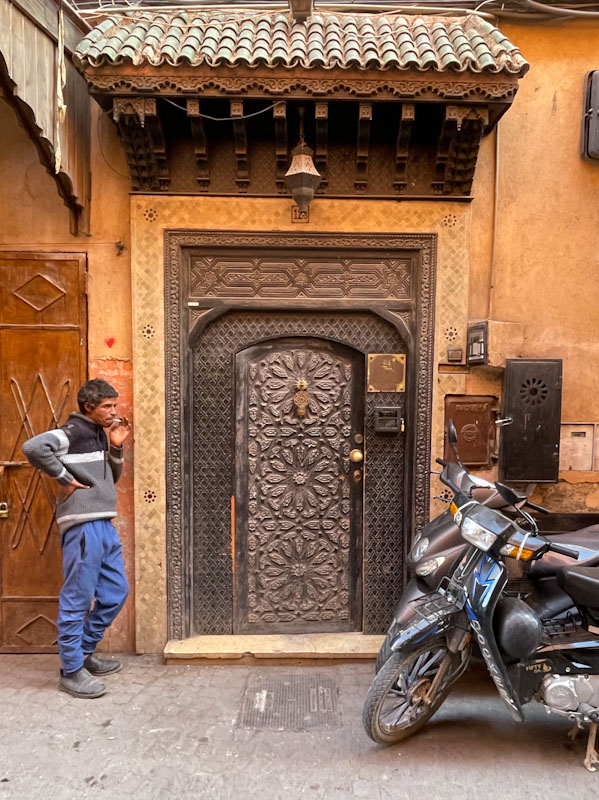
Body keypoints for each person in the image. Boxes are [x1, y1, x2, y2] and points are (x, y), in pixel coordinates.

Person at [22, 378, 131, 699]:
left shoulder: (100, 433)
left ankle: (83, 654)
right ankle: (71, 671)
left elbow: (110, 479)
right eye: (107, 406)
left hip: (103, 525)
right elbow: (33, 447)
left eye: (115, 404)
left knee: (115, 593)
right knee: (77, 599)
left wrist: (116, 445)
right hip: (82, 528)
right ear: (89, 407)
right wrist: (64, 478)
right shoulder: (72, 432)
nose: (114, 411)